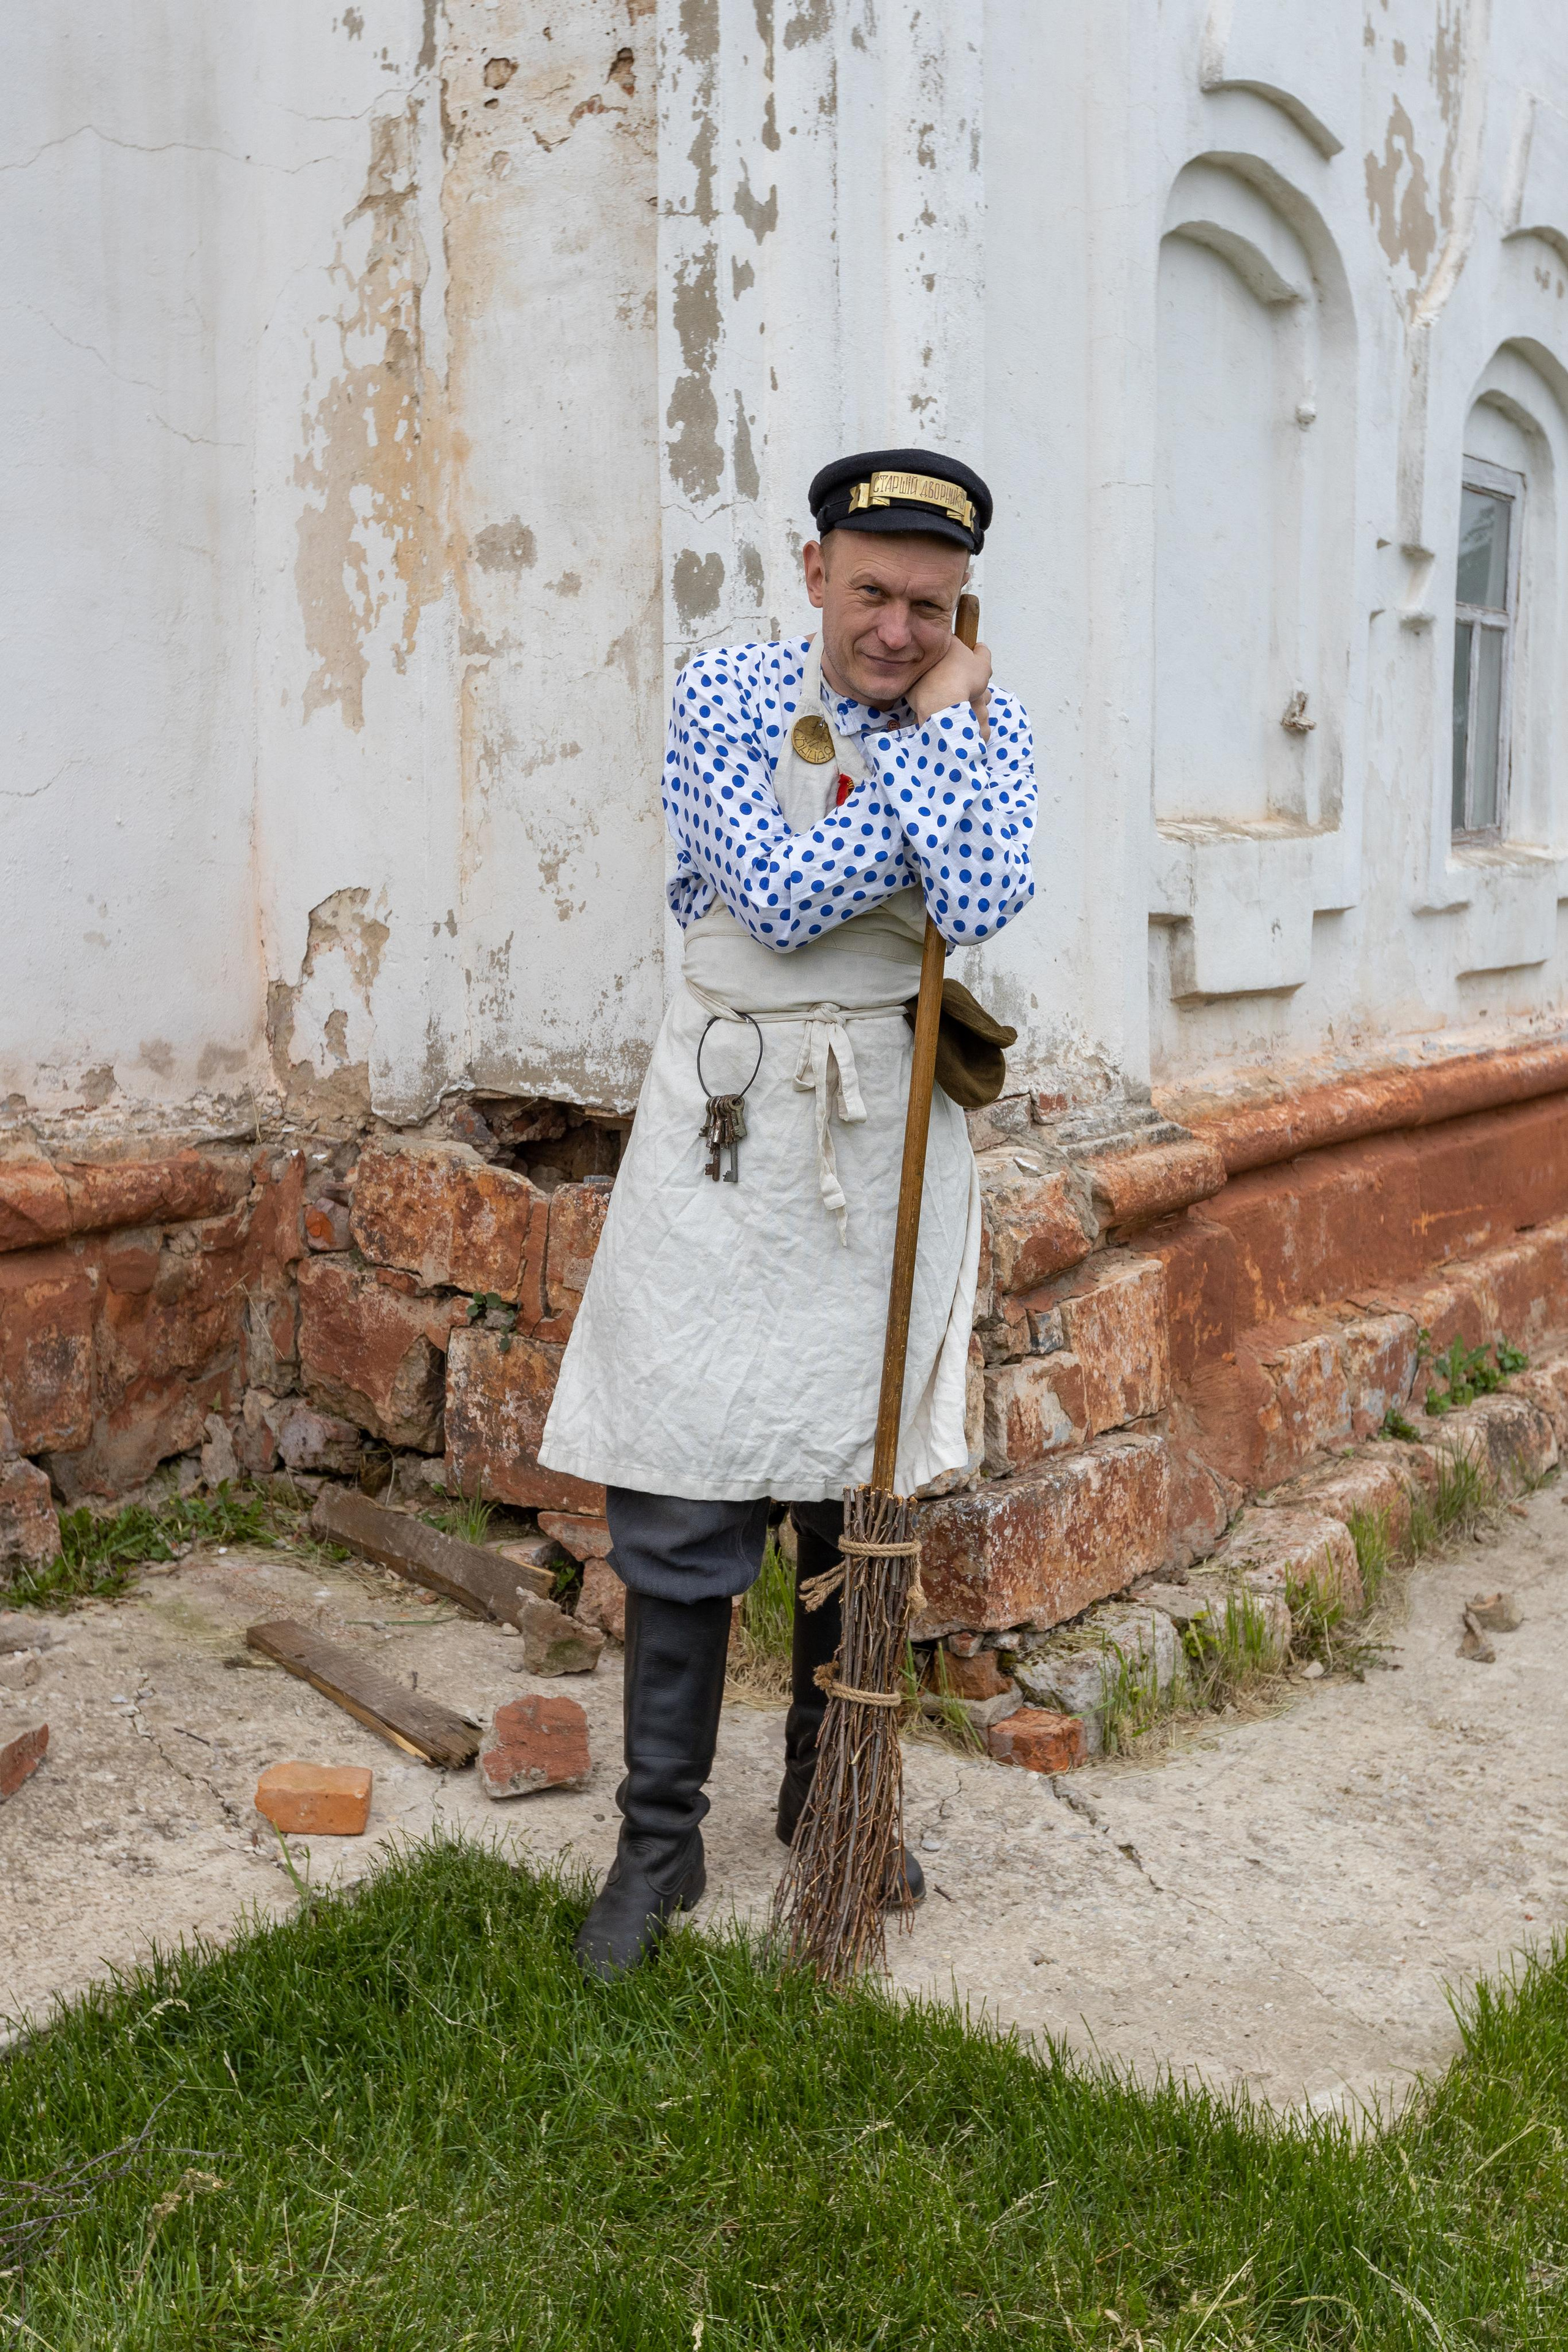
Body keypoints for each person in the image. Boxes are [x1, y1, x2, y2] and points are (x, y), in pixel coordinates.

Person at [540, 448, 1037, 1978]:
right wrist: (923, 768)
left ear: (962, 605)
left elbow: (982, 899)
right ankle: (659, 1843)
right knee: (683, 1463)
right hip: (730, 1112)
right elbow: (773, 894)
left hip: (881, 1132)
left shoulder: (992, 719)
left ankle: (832, 1798)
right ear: (814, 569)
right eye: (871, 592)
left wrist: (936, 743)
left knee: (850, 1477)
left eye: (929, 608)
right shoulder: (728, 692)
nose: (895, 631)